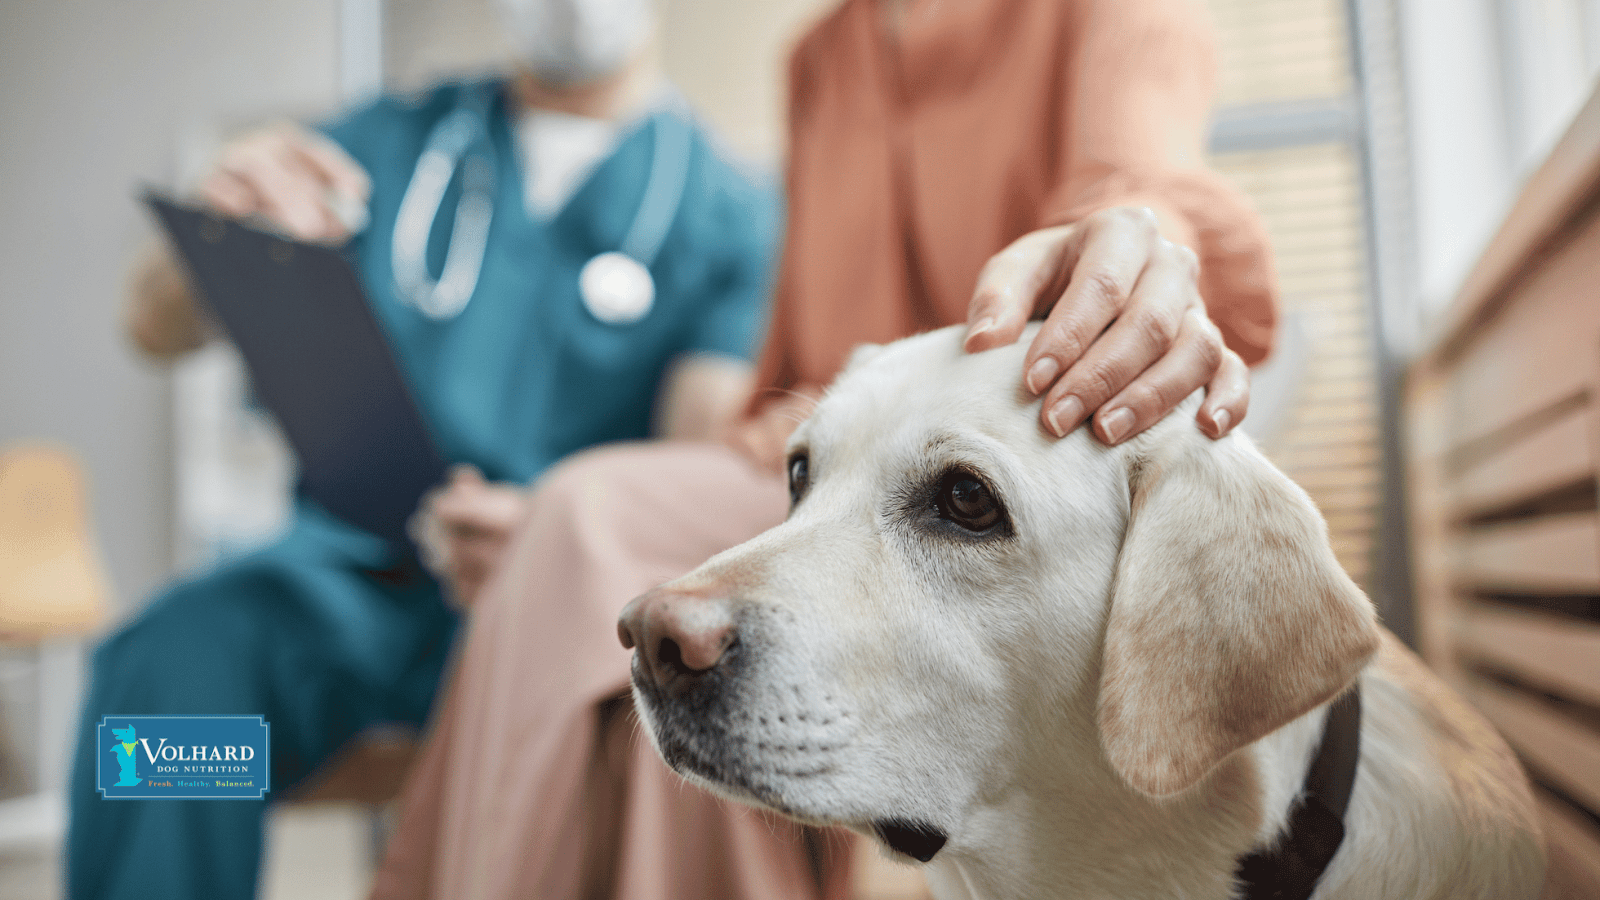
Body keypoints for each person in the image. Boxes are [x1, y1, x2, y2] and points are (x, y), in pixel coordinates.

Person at [369, 0, 1278, 898]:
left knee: (585, 517)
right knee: (640, 663)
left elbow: (1141, 181)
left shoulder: (1115, 13)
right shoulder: (820, 56)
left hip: (997, 493)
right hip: (813, 471)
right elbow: (797, 375)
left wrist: (1139, 238)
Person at [66, 0, 780, 897]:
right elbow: (153, 325)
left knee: (621, 748)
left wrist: (552, 531)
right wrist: (218, 219)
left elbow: (689, 457)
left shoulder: (733, 211)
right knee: (173, 689)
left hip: (559, 612)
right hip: (344, 605)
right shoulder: (393, 143)